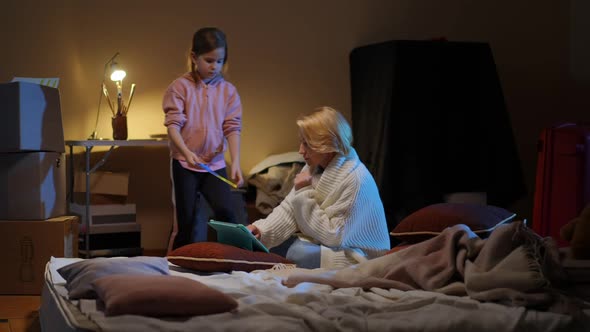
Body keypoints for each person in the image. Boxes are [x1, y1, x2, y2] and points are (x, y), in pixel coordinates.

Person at [248, 107, 390, 269]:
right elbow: (290, 209)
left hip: (356, 255)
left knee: (296, 252)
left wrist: (303, 192)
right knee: (272, 246)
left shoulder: (356, 179)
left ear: (327, 145)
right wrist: (260, 231)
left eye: (307, 144)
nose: (301, 151)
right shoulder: (313, 167)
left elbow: (334, 236)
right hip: (325, 245)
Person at [163, 27, 244, 251]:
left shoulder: (228, 91)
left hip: (214, 165)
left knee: (227, 213)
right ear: (193, 57)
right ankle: (175, 266)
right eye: (209, 60)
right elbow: (173, 126)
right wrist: (186, 152)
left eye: (220, 61)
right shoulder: (179, 88)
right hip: (184, 164)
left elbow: (233, 127)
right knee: (186, 221)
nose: (214, 66)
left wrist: (235, 160)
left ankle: (231, 263)